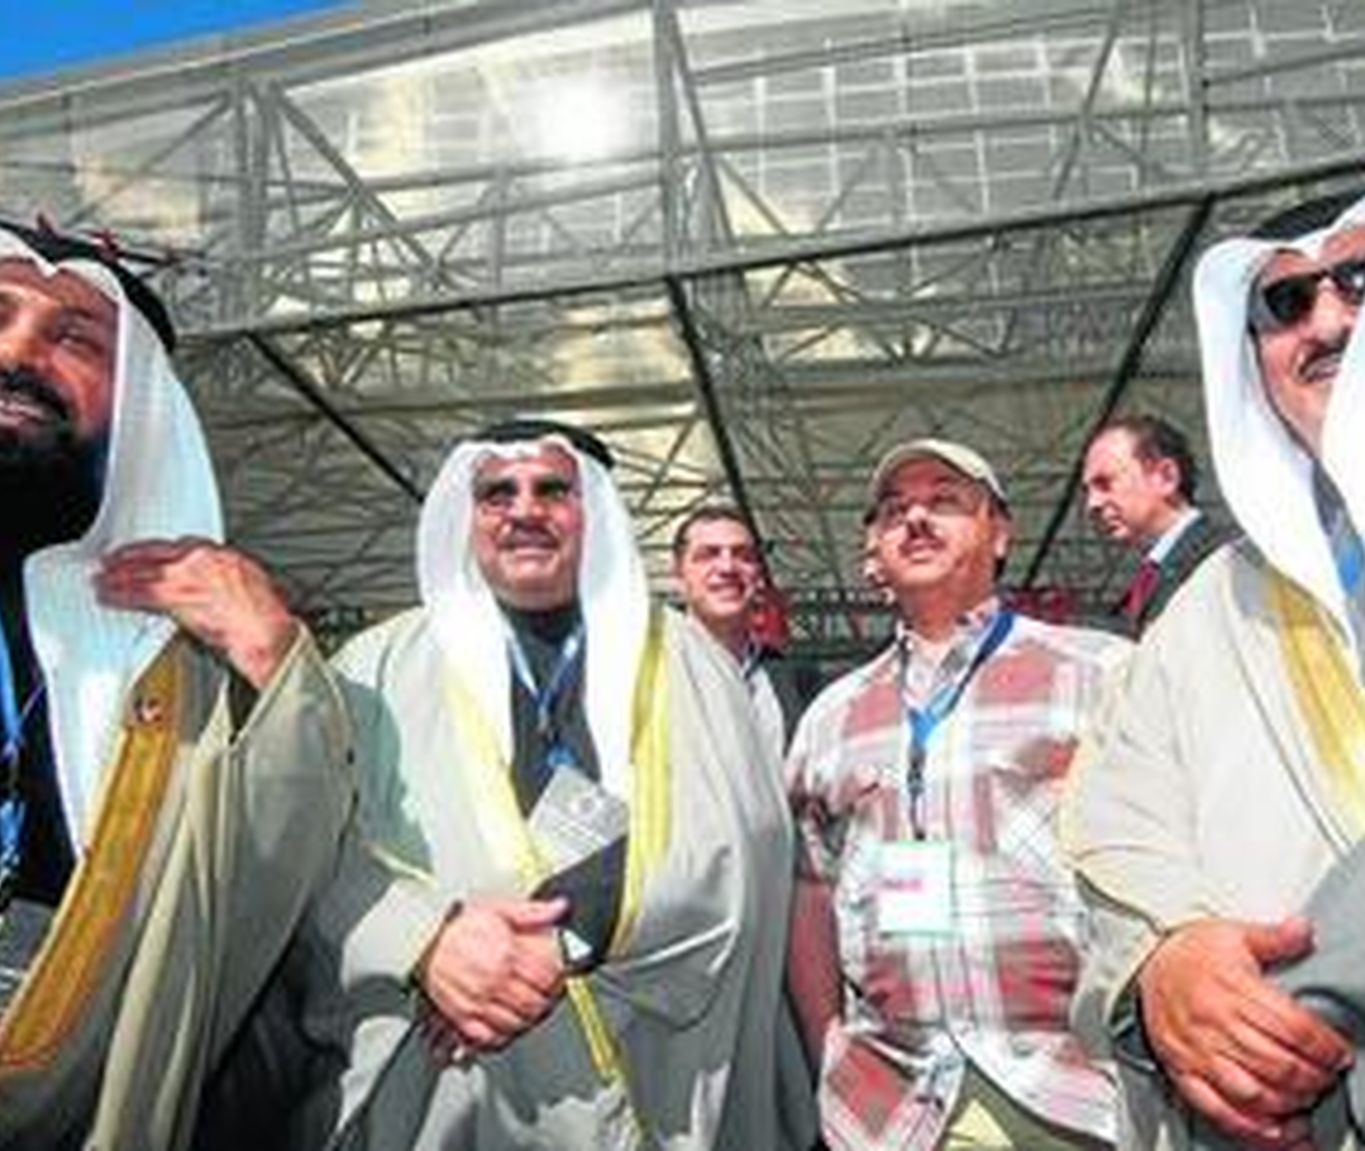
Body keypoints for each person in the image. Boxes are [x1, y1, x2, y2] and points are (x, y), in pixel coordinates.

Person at [1066, 175, 1365, 1149]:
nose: (1328, 320)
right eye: (1285, 301)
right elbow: (1116, 819)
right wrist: (1163, 966)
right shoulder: (1209, 607)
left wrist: (1289, 1023)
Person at [0, 221, 353, 1149]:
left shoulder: (176, 663)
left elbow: (259, 898)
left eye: (76, 339)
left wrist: (274, 661)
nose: (16, 351)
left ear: (138, 408)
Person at [285, 418, 792, 1149]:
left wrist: (549, 957)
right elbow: (305, 848)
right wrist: (428, 946)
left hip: (657, 1071)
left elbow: (753, 852)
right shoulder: (373, 668)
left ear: (596, 514)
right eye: (497, 493)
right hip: (448, 1083)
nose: (524, 510)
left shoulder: (693, 665)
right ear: (467, 516)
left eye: (552, 489)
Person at [786, 437, 1122, 1151]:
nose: (916, 519)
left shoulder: (1098, 672)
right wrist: (827, 1042)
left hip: (1069, 1087)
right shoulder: (832, 715)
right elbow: (808, 885)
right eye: (894, 509)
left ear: (999, 533)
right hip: (887, 1100)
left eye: (945, 501)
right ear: (873, 549)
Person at [671, 506, 823, 754]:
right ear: (679, 573)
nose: (728, 567)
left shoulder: (797, 681)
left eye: (743, 555)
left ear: (758, 574)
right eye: (708, 554)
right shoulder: (646, 669)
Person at [1081, 414, 1227, 634]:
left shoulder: (1221, 560)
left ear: (1166, 477)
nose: (1092, 504)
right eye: (1088, 491)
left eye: (1105, 483)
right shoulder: (1150, 577)